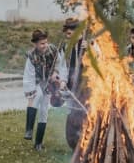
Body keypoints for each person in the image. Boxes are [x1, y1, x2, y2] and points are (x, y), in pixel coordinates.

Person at [22, 28, 65, 151]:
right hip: (36, 81)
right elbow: (29, 76)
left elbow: (59, 64)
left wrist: (55, 74)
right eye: (41, 43)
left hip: (48, 82)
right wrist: (31, 92)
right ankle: (29, 130)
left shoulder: (53, 50)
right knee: (37, 97)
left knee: (44, 110)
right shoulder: (31, 56)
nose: (45, 45)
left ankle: (38, 143)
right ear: (35, 44)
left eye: (46, 42)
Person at [60, 17, 89, 150]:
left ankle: (88, 141)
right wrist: (63, 80)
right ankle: (74, 142)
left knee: (86, 114)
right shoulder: (66, 47)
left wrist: (90, 51)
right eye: (67, 31)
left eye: (72, 30)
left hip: (87, 88)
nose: (68, 33)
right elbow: (63, 67)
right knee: (73, 113)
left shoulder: (90, 44)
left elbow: (100, 63)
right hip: (72, 87)